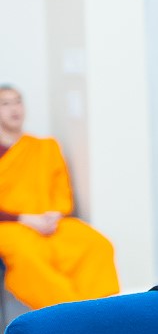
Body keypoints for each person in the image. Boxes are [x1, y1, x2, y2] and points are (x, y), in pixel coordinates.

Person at [0, 85, 119, 311]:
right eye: (5, 104)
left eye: (17, 101)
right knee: (31, 260)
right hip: (10, 226)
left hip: (51, 222)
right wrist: (24, 219)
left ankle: (101, 311)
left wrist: (54, 214)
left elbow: (61, 191)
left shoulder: (45, 147)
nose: (14, 109)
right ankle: (69, 315)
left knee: (97, 245)